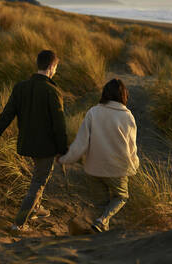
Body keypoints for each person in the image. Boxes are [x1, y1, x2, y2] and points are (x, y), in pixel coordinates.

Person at [0, 50, 68, 231]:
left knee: (38, 176)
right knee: (38, 182)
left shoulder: (20, 87)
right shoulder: (53, 91)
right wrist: (63, 151)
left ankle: (36, 208)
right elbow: (59, 126)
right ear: (52, 67)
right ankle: (19, 224)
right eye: (56, 68)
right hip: (45, 147)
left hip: (26, 144)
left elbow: (6, 115)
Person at [58, 78, 138, 232]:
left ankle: (101, 229)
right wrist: (134, 165)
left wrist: (65, 159)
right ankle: (103, 220)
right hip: (117, 169)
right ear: (124, 95)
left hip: (93, 169)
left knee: (101, 203)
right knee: (122, 197)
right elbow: (131, 147)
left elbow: (81, 143)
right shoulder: (127, 116)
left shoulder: (93, 112)